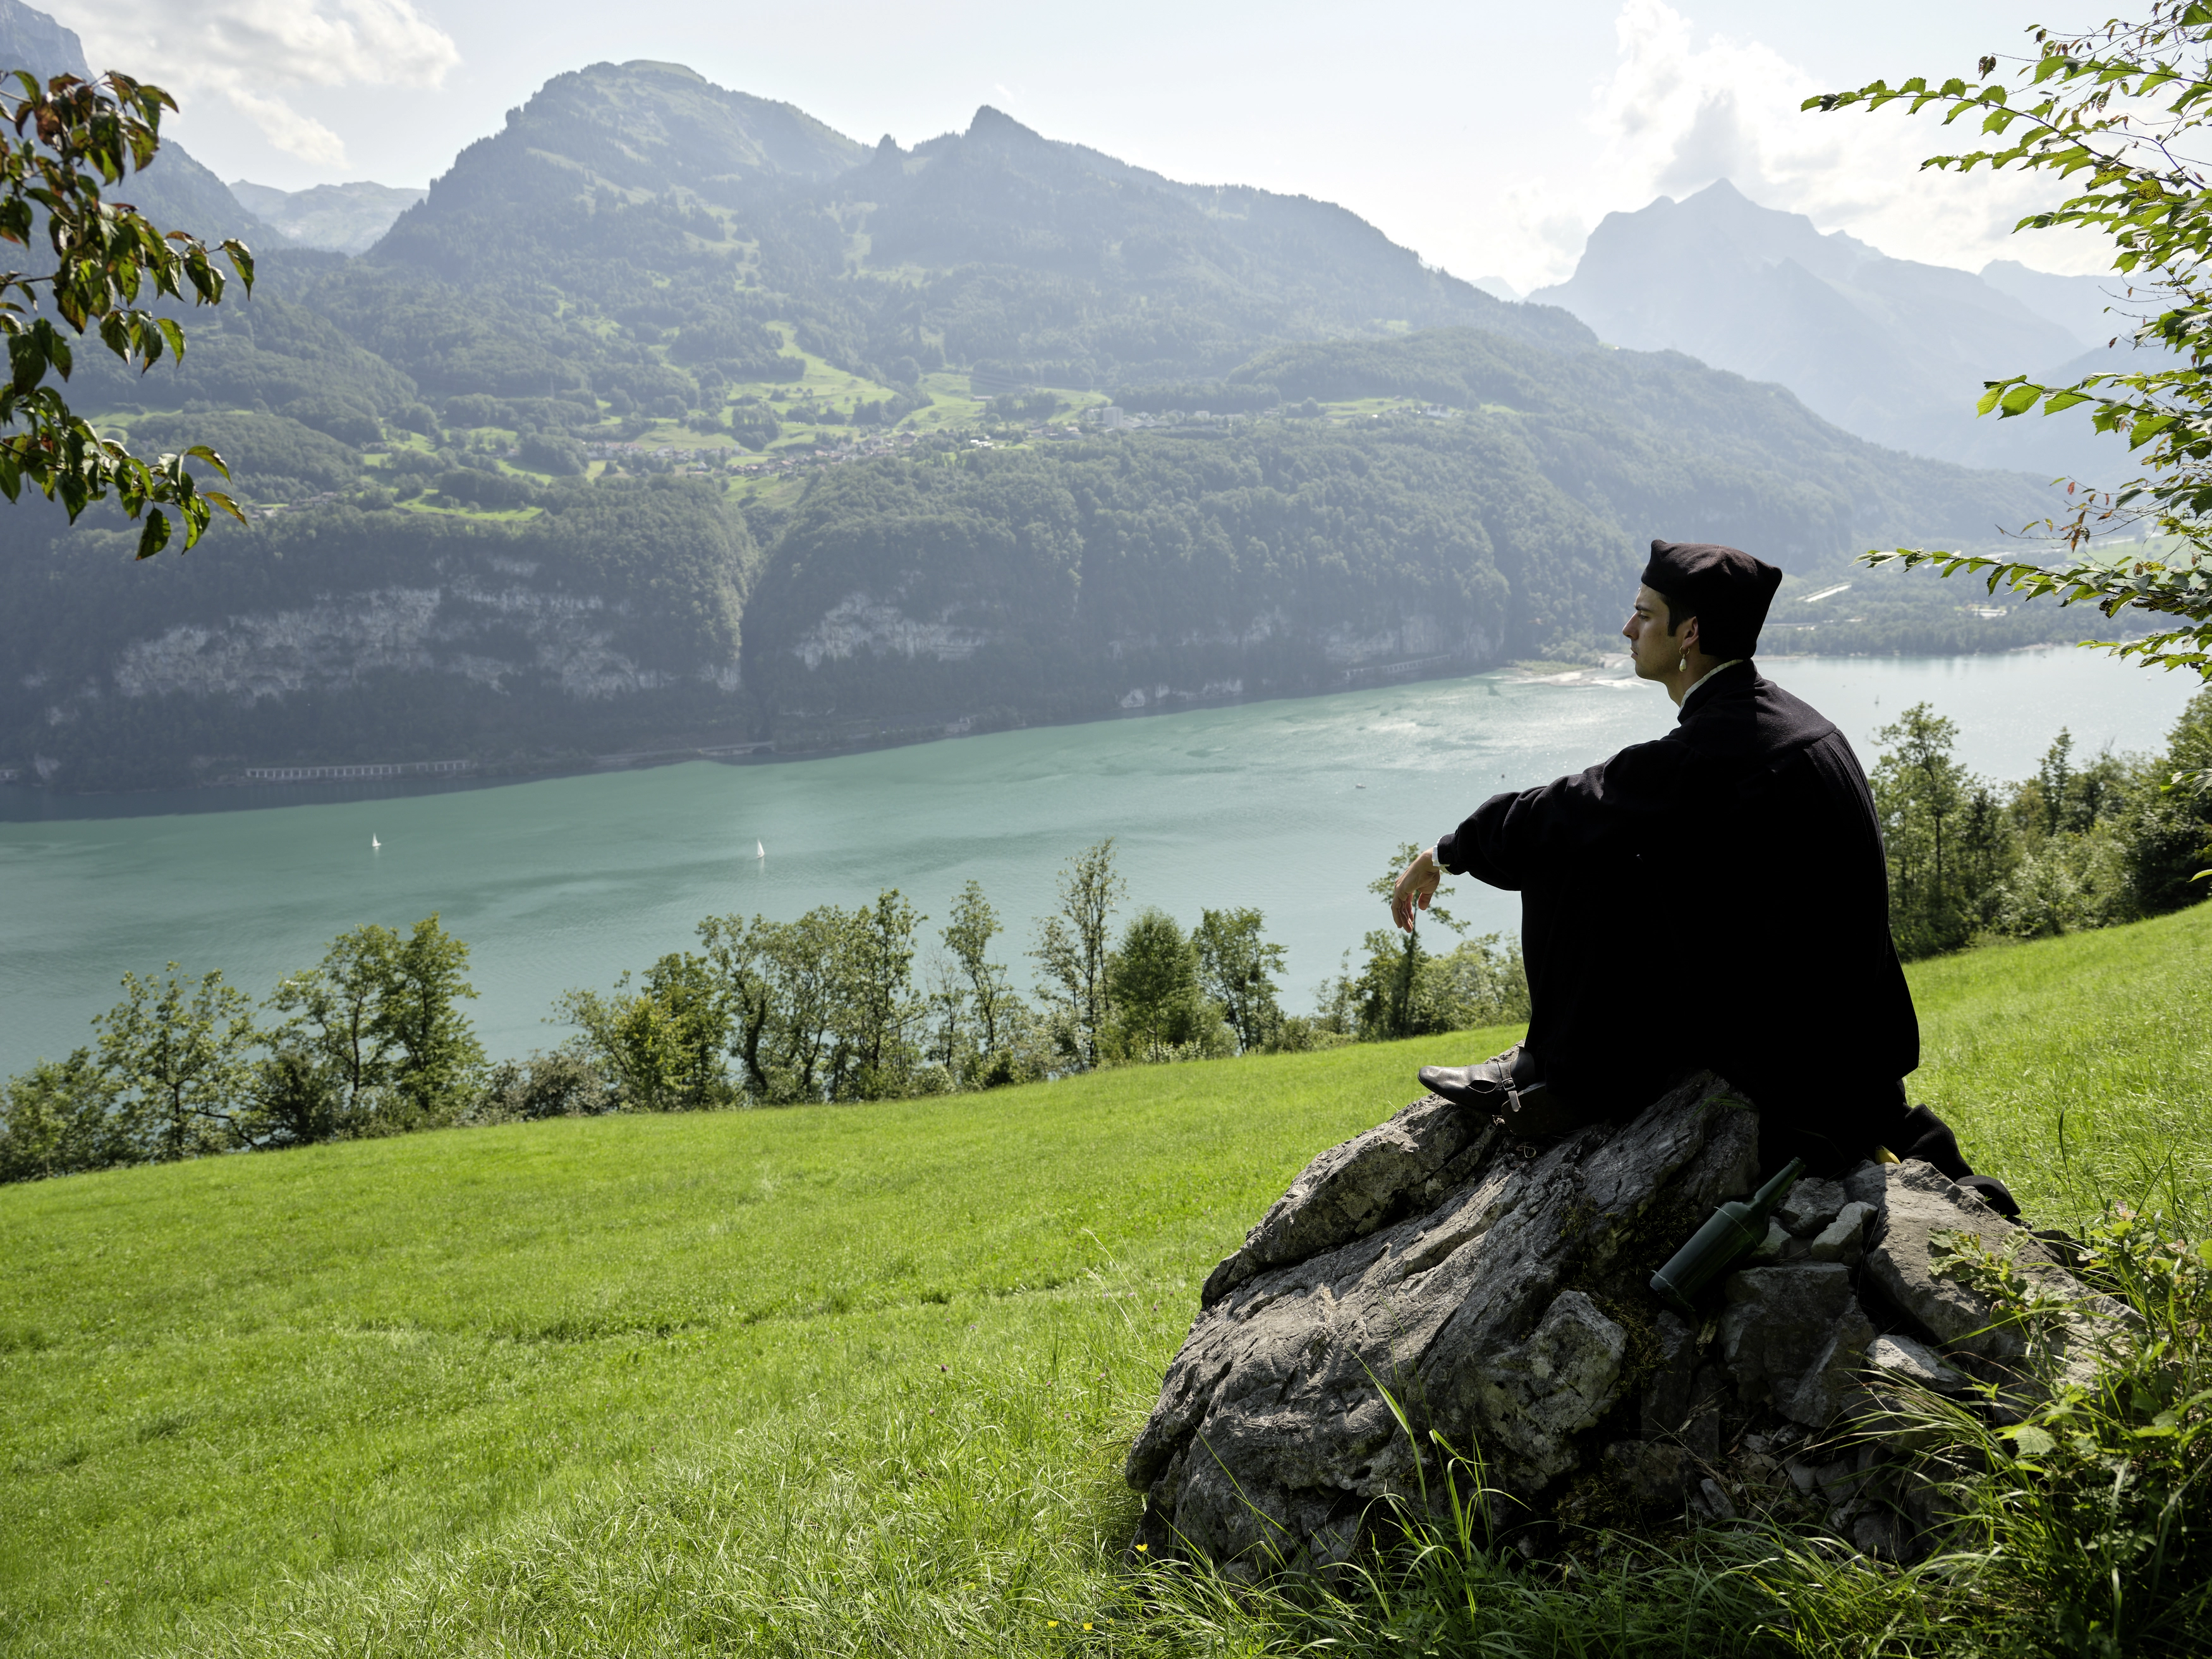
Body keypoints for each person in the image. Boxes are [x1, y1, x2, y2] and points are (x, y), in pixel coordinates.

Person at [1389, 539, 2014, 1208]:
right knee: (1609, 835)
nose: (1626, 629)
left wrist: (1449, 852)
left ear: (1688, 633)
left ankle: (1557, 1078)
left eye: (1642, 614)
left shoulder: (1721, 747)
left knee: (1573, 840)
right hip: (1853, 1050)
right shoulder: (1791, 723)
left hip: (1792, 1059)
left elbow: (1578, 805)